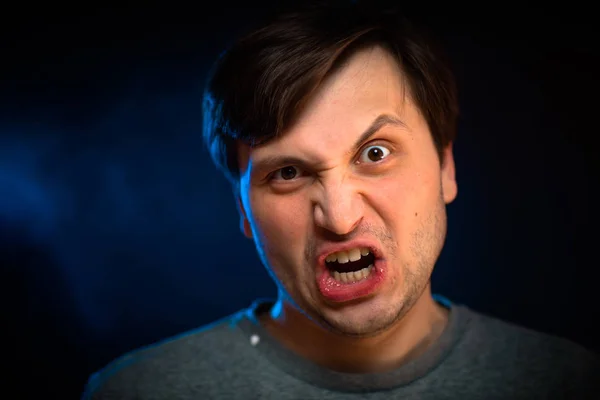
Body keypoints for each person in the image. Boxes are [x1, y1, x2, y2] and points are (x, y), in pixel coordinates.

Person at [81, 2, 599, 399]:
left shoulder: (566, 381)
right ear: (242, 211)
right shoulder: (141, 391)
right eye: (287, 172)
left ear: (446, 168)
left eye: (375, 152)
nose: (341, 216)